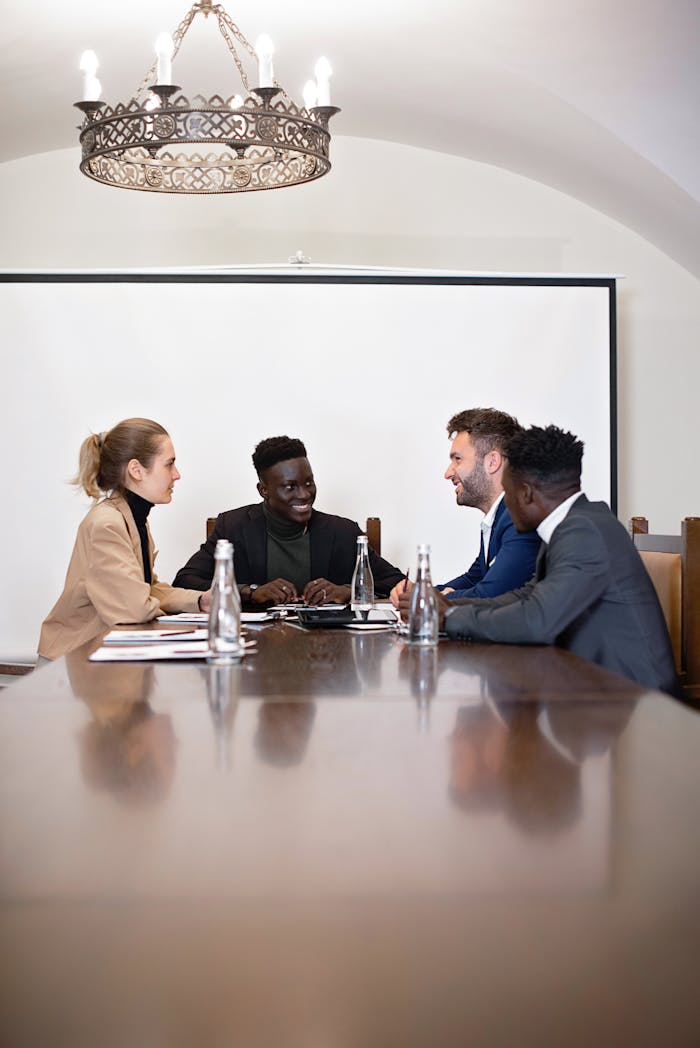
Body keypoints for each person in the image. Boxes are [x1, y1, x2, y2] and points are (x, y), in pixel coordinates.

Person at [433, 424, 679, 696]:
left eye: (507, 491)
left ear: (525, 493)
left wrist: (451, 618)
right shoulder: (576, 523)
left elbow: (537, 620)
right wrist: (447, 606)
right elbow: (526, 596)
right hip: (599, 693)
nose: (505, 506)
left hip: (637, 708)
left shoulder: (584, 532)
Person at [39, 418, 210, 660]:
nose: (177, 474)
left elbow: (145, 589)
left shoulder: (131, 517)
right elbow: (134, 609)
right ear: (136, 470)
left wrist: (201, 600)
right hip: (72, 664)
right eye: (169, 464)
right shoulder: (107, 524)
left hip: (104, 656)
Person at [173, 435, 405, 605]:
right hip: (254, 655)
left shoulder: (342, 531)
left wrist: (348, 591)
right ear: (263, 490)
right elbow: (185, 581)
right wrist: (250, 592)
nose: (304, 495)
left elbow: (396, 582)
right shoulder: (233, 527)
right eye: (289, 487)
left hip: (327, 654)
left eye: (308, 483)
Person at [390, 408, 540, 608]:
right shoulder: (499, 517)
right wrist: (424, 593)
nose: (448, 472)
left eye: (457, 459)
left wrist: (427, 599)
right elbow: (474, 578)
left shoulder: (519, 518)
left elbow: (491, 594)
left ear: (492, 462)